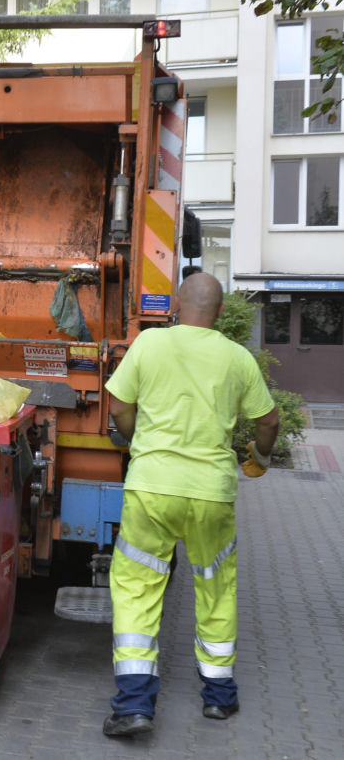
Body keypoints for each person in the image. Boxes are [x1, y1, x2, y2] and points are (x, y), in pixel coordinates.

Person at [101, 272, 279, 737]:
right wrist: (259, 457)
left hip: (152, 489)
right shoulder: (238, 357)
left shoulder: (150, 343)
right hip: (211, 493)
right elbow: (269, 419)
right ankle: (218, 698)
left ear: (176, 306)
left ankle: (134, 705)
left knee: (138, 587)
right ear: (220, 313)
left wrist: (136, 436)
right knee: (216, 588)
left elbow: (117, 401)